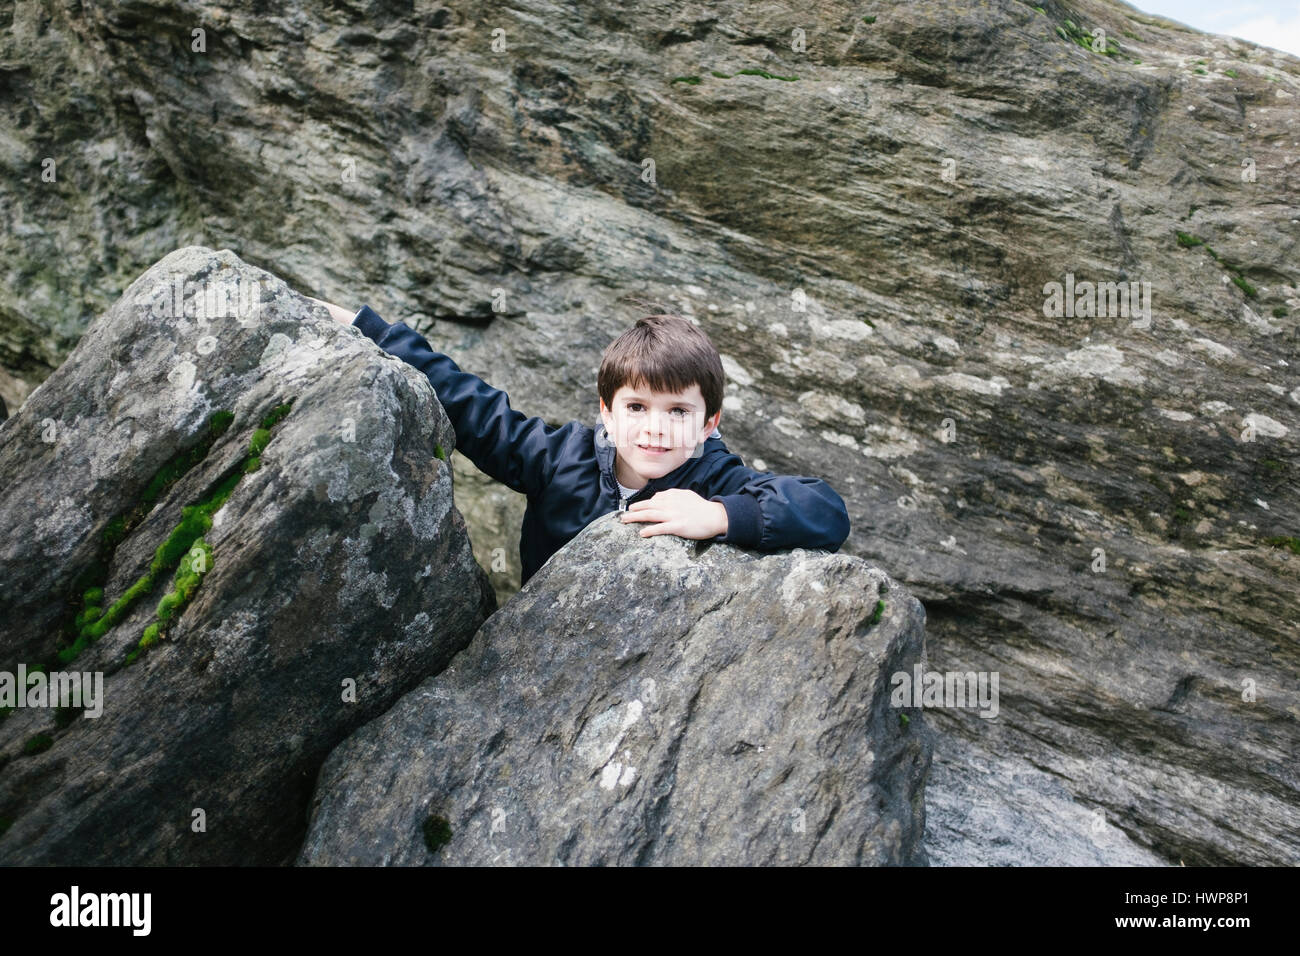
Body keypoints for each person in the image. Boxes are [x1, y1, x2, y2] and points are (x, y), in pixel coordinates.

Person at [307, 296, 851, 585]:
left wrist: (721, 516)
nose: (656, 427)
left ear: (710, 423)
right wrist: (363, 325)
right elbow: (470, 406)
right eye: (636, 407)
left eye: (679, 411)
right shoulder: (557, 458)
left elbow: (825, 510)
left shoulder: (716, 478)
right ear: (607, 414)